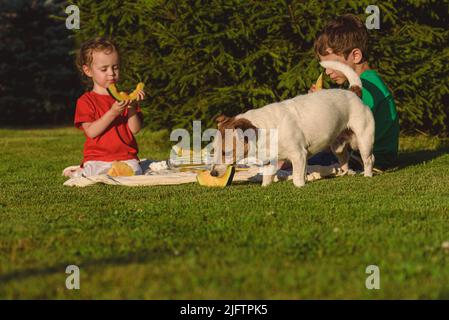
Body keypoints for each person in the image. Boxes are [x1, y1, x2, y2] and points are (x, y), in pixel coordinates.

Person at [281, 14, 400, 172]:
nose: (328, 72)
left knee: (289, 161)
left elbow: (343, 130)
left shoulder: (366, 86)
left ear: (355, 56)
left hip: (369, 159)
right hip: (378, 157)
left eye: (332, 64)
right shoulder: (369, 81)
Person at [67, 37, 145, 177]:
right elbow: (91, 132)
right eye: (104, 69)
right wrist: (113, 112)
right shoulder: (86, 101)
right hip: (97, 158)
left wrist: (132, 107)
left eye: (115, 67)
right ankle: (80, 172)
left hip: (126, 156)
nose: (111, 73)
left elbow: (135, 129)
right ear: (88, 71)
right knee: (93, 174)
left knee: (135, 172)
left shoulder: (124, 97)